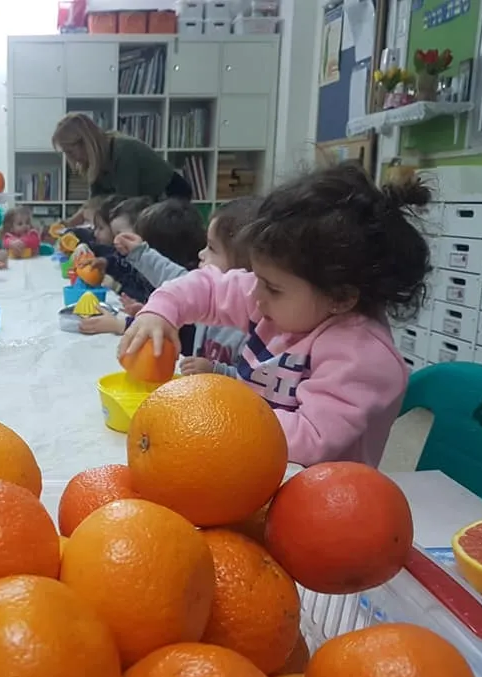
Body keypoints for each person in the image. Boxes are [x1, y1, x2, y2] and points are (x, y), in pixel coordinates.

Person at [119, 163, 432, 468]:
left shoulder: (362, 358)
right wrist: (160, 312)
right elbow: (210, 287)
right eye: (257, 278)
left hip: (315, 490)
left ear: (340, 297)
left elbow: (311, 439)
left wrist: (221, 413)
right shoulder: (280, 300)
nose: (255, 294)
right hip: (253, 460)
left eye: (272, 287)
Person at [116, 196, 261, 376]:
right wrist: (139, 253)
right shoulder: (206, 296)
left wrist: (216, 370)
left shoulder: (259, 328)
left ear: (243, 269)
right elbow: (174, 277)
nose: (201, 253)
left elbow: (256, 382)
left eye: (212, 248)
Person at [81, 199, 204, 345]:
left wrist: (121, 325)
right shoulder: (181, 279)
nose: (203, 253)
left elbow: (176, 335)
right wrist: (147, 310)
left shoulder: (189, 289)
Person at [53, 113, 192, 228]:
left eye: (70, 152)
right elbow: (94, 201)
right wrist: (68, 224)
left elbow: (126, 206)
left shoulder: (123, 151)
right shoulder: (95, 159)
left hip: (171, 194)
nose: (70, 158)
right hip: (145, 199)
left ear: (85, 143)